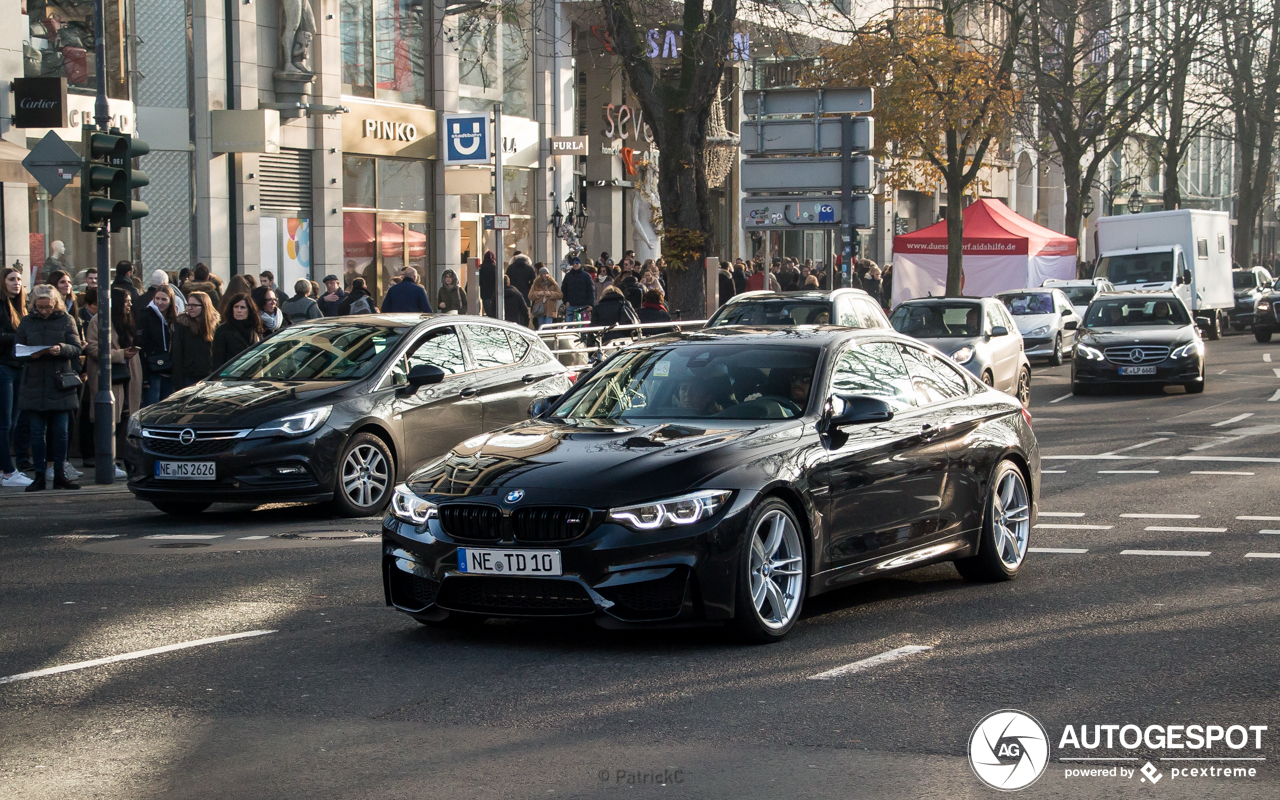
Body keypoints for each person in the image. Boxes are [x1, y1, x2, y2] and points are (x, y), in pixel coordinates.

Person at [15, 285, 83, 491]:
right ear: (34, 305)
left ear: (56, 304)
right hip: (34, 383)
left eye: (49, 306)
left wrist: (61, 349)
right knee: (37, 433)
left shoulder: (66, 319)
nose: (44, 311)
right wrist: (29, 354)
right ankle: (39, 476)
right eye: (40, 307)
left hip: (59, 382)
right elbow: (17, 349)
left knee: (60, 431)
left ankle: (60, 473)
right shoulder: (27, 322)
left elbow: (77, 347)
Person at [84, 287, 141, 479]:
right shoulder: (99, 320)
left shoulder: (126, 321)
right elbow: (93, 348)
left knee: (125, 417)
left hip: (128, 374)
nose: (130, 304)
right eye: (126, 301)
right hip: (110, 376)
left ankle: (119, 459)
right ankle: (107, 460)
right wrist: (119, 354)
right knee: (108, 419)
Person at [0, 267, 32, 487]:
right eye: (11, 279)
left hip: (19, 366)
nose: (16, 282)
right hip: (4, 367)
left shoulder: (21, 307)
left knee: (13, 422)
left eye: (19, 279)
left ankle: (7, 469)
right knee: (5, 423)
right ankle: (7, 471)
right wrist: (19, 339)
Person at [136, 284, 177, 406]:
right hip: (152, 369)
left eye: (164, 299)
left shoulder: (174, 319)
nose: (160, 302)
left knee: (166, 407)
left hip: (170, 368)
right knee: (152, 404)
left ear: (170, 301)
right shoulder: (146, 316)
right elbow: (142, 346)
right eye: (157, 298)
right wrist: (145, 377)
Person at [171, 290, 218, 390]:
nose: (189, 308)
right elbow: (177, 354)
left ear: (204, 306)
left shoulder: (215, 326)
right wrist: (178, 382)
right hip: (189, 375)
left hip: (209, 376)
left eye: (194, 305)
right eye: (188, 305)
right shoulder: (183, 325)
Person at [212, 293, 264, 367]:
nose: (238, 310)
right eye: (236, 307)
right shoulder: (223, 330)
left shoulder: (255, 328)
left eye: (242, 307)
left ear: (249, 310)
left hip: (254, 373)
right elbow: (217, 359)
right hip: (232, 374)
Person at [560, 257, 596, 322]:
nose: (575, 264)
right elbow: (563, 290)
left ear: (580, 264)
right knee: (568, 326)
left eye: (577, 263)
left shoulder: (586, 276)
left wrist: (590, 304)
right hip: (571, 305)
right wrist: (565, 301)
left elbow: (591, 290)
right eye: (573, 263)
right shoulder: (568, 276)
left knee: (582, 326)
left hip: (583, 305)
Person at [479, 250, 499, 318]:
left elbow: (479, 281)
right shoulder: (496, 268)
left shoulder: (481, 268)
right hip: (494, 293)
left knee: (488, 312)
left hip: (485, 294)